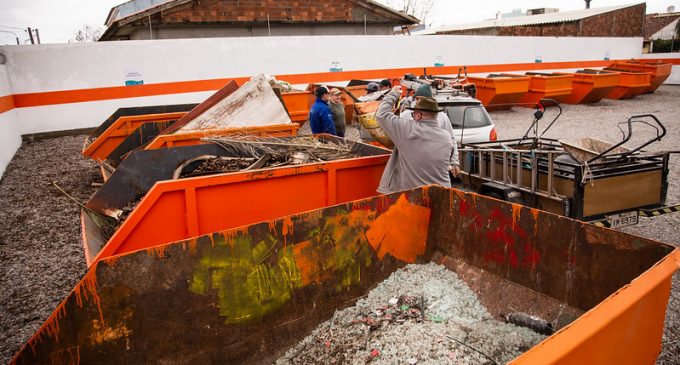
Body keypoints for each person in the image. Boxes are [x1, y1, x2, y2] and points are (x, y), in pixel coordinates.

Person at [375, 85, 454, 194]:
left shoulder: (408, 130)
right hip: (442, 194)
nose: (412, 117)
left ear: (418, 115)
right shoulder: (446, 137)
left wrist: (393, 94)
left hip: (415, 196)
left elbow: (381, 114)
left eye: (413, 114)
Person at [400, 84, 460, 178]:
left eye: (422, 99)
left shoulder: (442, 117)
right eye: (417, 98)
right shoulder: (405, 116)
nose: (418, 101)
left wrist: (454, 162)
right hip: (412, 167)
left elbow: (452, 139)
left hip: (435, 167)